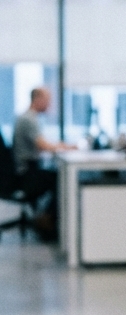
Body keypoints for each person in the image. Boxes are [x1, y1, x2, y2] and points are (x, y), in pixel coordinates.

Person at [12, 87, 71, 238]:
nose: (49, 105)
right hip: (26, 174)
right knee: (60, 179)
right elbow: (43, 146)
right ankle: (47, 219)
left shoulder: (29, 118)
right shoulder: (28, 119)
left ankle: (47, 217)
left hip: (27, 171)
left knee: (56, 175)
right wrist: (66, 146)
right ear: (37, 99)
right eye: (47, 101)